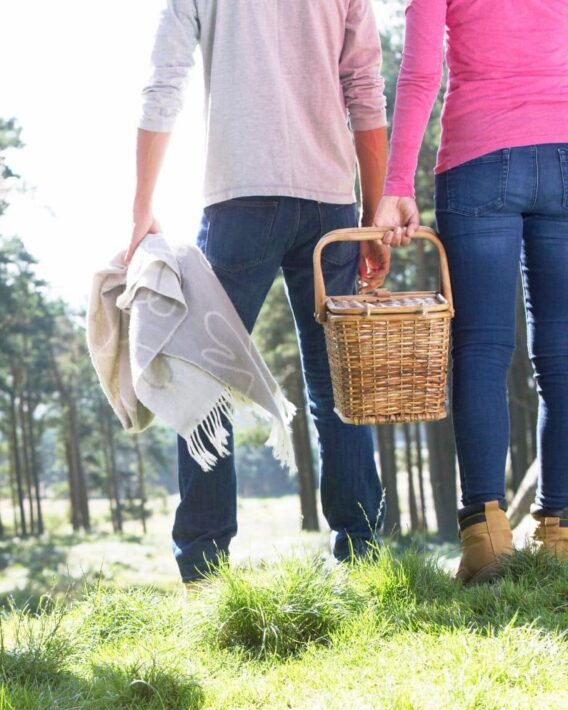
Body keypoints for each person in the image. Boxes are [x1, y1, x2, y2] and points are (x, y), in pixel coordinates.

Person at [130, 0, 391, 584]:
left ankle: (204, 570)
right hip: (331, 203)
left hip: (240, 200)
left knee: (204, 380)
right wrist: (372, 214)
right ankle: (363, 556)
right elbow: (365, 91)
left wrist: (141, 208)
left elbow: (163, 82)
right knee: (335, 381)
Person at [374, 0, 568, 583]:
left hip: (478, 158)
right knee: (564, 355)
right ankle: (561, 535)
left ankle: (486, 541)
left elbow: (419, 72)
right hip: (565, 156)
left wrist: (395, 185)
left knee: (483, 351)